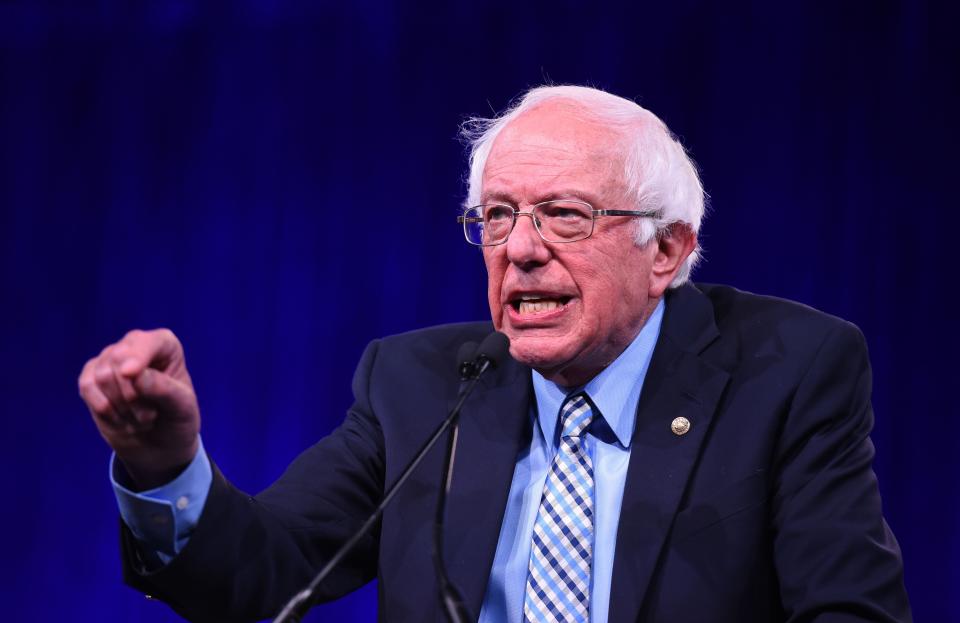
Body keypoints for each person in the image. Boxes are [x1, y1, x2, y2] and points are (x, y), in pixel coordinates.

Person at [79, 85, 911, 623]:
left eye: (565, 214)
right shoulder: (416, 384)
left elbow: (850, 612)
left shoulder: (789, 371)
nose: (520, 248)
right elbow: (259, 571)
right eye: (499, 216)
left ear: (668, 251)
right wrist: (164, 465)